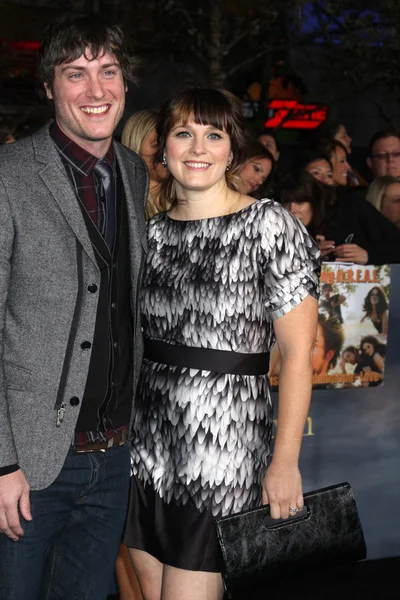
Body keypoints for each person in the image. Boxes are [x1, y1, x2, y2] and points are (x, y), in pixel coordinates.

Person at [123, 86, 320, 600]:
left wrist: (285, 460)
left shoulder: (268, 225)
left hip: (222, 447)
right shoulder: (153, 234)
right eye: (184, 133)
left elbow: (300, 356)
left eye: (214, 135)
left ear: (234, 151)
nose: (197, 148)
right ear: (162, 147)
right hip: (147, 445)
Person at [0, 14, 148, 600]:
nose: (96, 91)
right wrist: (2, 463)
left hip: (114, 461)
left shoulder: (135, 174)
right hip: (28, 468)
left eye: (108, 72)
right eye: (76, 74)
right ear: (48, 87)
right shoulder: (8, 176)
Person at [279, 162, 400, 265]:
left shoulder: (351, 207)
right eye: (285, 203)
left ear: (314, 202)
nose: (292, 209)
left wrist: (368, 255)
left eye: (300, 202)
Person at [122, 109, 167, 219]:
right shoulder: (126, 207)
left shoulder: (185, 199)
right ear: (135, 149)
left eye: (168, 144)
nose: (165, 151)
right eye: (157, 145)